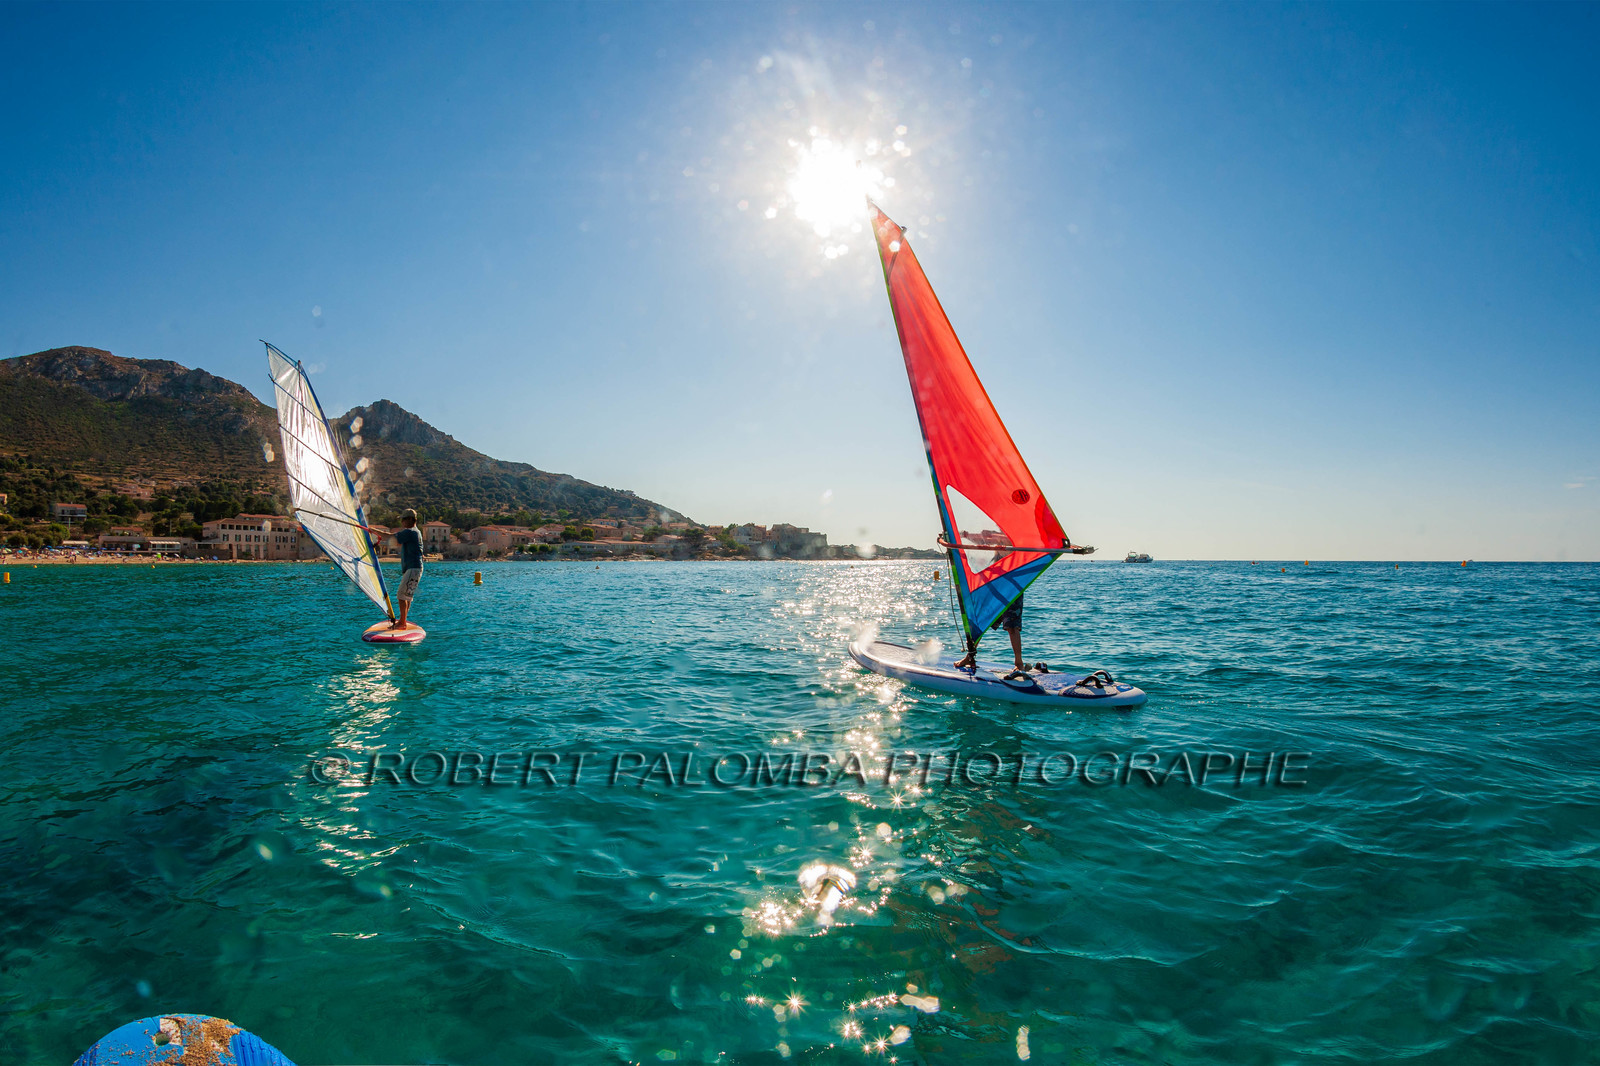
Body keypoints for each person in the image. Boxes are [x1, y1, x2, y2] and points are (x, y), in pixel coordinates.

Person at [367, 509, 424, 630]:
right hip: (414, 568)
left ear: (410, 519)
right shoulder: (415, 532)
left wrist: (373, 530)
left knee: (401, 595)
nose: (402, 522)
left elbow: (390, 537)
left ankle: (402, 623)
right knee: (406, 596)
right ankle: (403, 621)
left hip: (413, 568)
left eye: (403, 519)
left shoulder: (411, 532)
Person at [953, 592, 1027, 674]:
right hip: (992, 590)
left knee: (1012, 627)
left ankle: (1019, 664)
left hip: (1011, 591)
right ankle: (969, 657)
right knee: (979, 622)